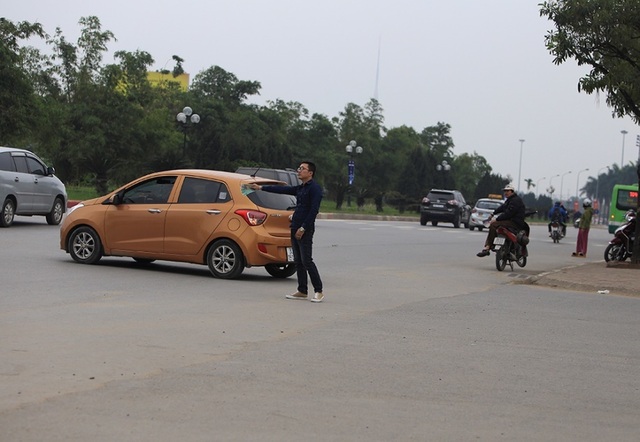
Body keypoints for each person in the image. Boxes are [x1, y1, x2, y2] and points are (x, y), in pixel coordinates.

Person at [249, 161, 324, 302]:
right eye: (299, 168)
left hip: (304, 229)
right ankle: (302, 290)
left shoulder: (315, 189)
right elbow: (282, 190)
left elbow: (314, 211)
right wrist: (260, 188)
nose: (299, 170)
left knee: (307, 260)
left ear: (310, 173)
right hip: (294, 227)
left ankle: (318, 290)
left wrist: (303, 228)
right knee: (298, 261)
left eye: (302, 169)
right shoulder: (301, 188)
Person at [476, 183, 526, 257]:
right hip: (509, 221)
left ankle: (488, 247)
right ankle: (492, 244)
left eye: (507, 191)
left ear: (512, 191)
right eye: (505, 191)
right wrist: (493, 214)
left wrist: (496, 219)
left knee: (493, 225)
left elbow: (509, 213)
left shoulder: (515, 201)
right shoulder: (509, 200)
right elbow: (502, 208)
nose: (505, 193)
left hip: (514, 222)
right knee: (496, 227)